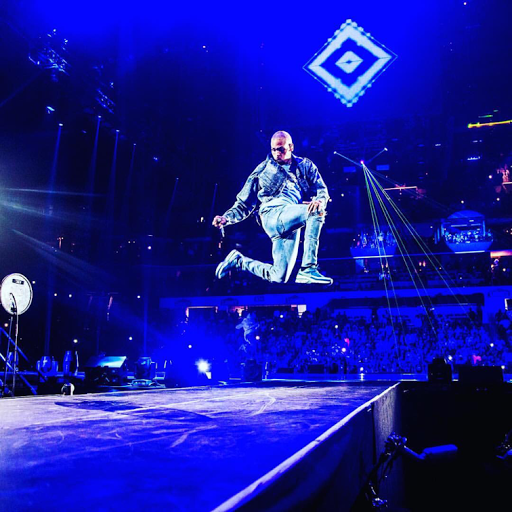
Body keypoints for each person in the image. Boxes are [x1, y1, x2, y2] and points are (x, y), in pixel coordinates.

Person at [213, 131, 332, 285]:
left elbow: (321, 190)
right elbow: (244, 203)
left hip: (290, 220)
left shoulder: (305, 165)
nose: (277, 153)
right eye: (273, 150)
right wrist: (226, 218)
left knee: (279, 277)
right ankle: (308, 268)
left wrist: (319, 200)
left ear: (291, 147)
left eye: (281, 149)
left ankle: (239, 261)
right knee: (315, 211)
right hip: (272, 214)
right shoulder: (262, 169)